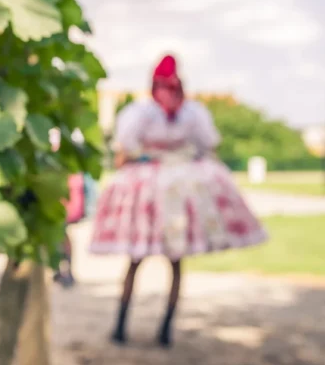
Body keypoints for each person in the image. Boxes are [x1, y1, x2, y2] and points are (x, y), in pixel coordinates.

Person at [90, 54, 267, 347]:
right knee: (173, 262)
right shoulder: (188, 113)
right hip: (178, 188)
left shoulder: (144, 113)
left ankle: (123, 326)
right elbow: (207, 147)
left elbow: (125, 152)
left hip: (151, 189)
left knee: (136, 258)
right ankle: (164, 329)